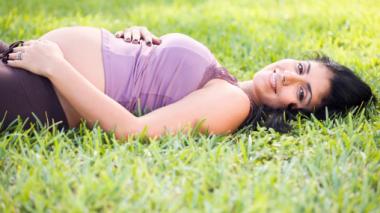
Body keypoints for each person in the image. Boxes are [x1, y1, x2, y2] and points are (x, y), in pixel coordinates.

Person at [0, 26, 375, 138]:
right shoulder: (223, 79)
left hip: (40, 92)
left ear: (297, 110)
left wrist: (55, 65)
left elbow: (134, 131)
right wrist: (128, 39)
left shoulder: (233, 103)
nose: (289, 76)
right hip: (31, 63)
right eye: (302, 67)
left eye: (303, 91)